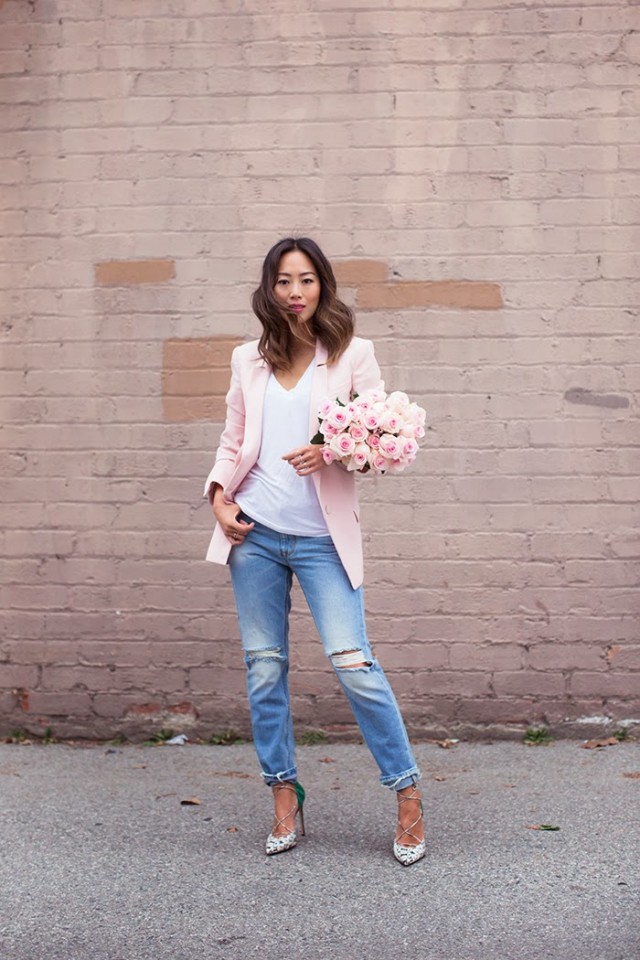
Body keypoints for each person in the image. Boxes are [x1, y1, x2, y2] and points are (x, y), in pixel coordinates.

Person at [203, 237, 425, 865]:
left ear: (322, 285)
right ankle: (283, 794)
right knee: (265, 669)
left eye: (305, 280)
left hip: (324, 540)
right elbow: (233, 439)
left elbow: (379, 444)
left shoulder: (354, 355)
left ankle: (406, 794)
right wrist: (218, 496)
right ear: (269, 289)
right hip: (255, 535)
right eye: (282, 281)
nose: (294, 292)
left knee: (354, 663)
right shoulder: (248, 358)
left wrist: (328, 449)